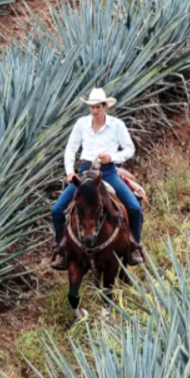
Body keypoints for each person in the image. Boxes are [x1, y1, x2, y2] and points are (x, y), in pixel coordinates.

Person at [50, 88, 144, 270]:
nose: (94, 111)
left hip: (108, 172)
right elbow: (71, 149)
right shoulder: (81, 124)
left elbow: (129, 148)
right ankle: (62, 249)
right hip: (85, 172)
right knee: (57, 210)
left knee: (134, 208)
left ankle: (134, 247)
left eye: (97, 107)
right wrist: (70, 172)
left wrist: (112, 157)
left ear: (104, 107)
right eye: (92, 107)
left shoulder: (116, 125)